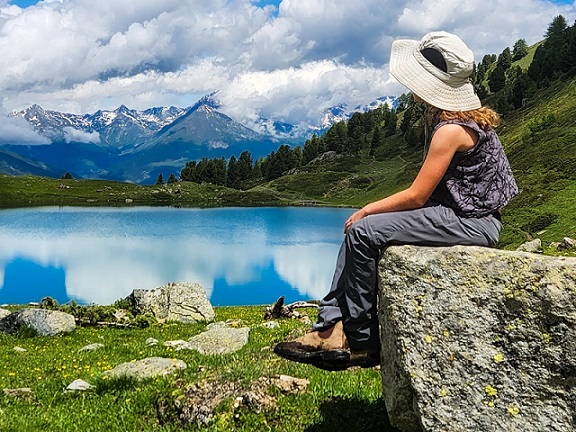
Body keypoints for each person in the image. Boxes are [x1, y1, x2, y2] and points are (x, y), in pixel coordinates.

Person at [273, 31, 519, 371]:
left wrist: (366, 208)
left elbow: (417, 196)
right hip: (471, 217)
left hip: (471, 222)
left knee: (362, 230)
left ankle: (360, 341)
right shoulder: (466, 120)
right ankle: (329, 326)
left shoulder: (449, 130)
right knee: (359, 233)